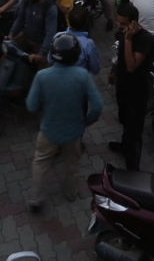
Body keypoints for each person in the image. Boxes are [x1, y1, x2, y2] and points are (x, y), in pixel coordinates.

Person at [25, 33, 103, 212]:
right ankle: (70, 193)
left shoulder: (42, 76)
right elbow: (98, 105)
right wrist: (87, 121)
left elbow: (31, 105)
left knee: (41, 161)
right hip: (74, 132)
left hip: (49, 130)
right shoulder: (82, 75)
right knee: (72, 163)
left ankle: (36, 198)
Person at [106, 3, 154, 171]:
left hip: (137, 91)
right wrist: (113, 72)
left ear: (134, 23)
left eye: (123, 23)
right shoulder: (123, 33)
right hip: (123, 87)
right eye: (118, 21)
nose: (119, 26)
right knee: (125, 119)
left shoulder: (145, 39)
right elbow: (119, 55)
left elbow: (131, 66)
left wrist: (128, 40)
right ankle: (124, 146)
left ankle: (133, 167)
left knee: (134, 129)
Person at [9, 0, 59, 65]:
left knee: (43, 68)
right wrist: (11, 34)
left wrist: (41, 54)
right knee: (9, 50)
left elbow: (50, 33)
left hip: (40, 43)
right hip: (26, 36)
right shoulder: (27, 0)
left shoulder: (50, 8)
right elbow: (20, 19)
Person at [48, 6, 100, 75]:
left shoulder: (58, 36)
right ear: (86, 23)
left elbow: (50, 60)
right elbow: (95, 69)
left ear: (69, 21)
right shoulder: (88, 44)